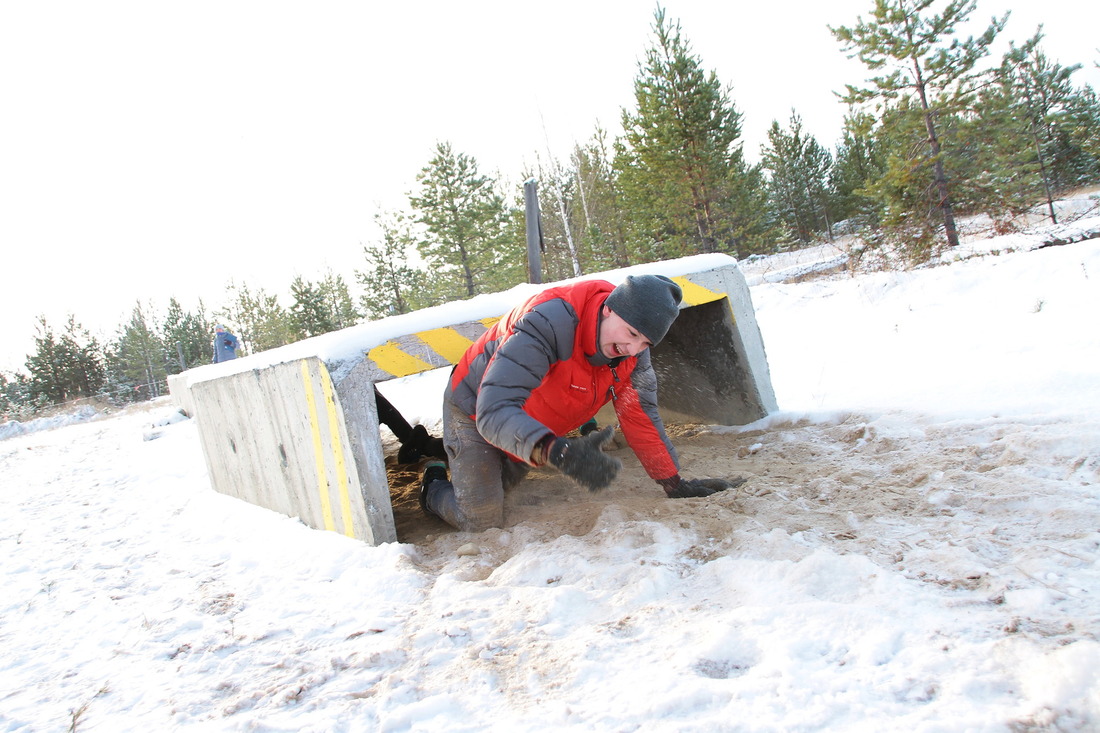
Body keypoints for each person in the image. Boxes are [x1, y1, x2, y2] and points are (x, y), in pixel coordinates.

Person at [420, 274, 741, 532]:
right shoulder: (547, 322)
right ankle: (432, 485)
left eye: (644, 342)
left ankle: (487, 464)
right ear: (608, 309)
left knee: (503, 481)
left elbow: (640, 415)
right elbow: (493, 412)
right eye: (630, 333)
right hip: (474, 409)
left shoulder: (632, 355)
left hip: (530, 420)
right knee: (480, 519)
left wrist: (674, 483)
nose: (631, 348)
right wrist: (554, 451)